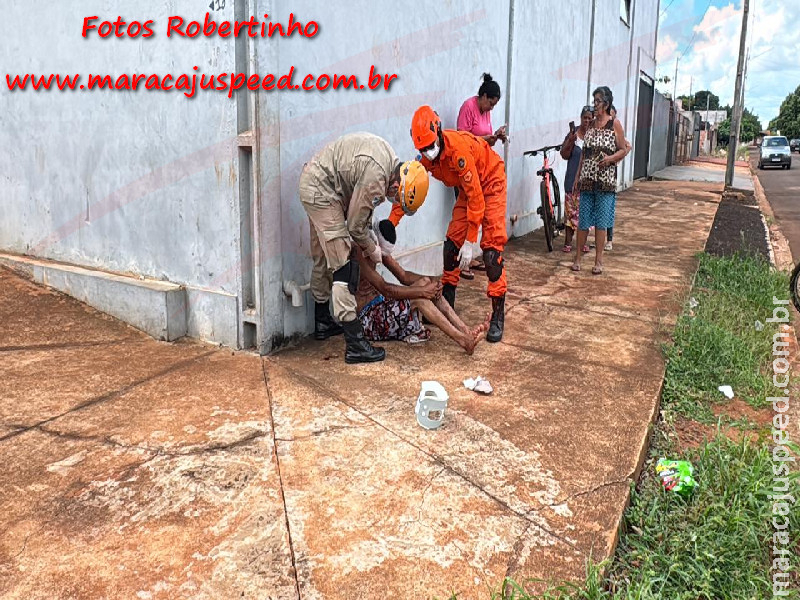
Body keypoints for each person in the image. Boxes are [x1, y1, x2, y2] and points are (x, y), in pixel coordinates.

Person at [299, 132, 429, 363]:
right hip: (323, 191)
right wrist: (372, 248)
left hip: (317, 183)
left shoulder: (389, 160)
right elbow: (355, 226)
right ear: (398, 184)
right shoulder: (378, 179)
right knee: (342, 264)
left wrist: (367, 234)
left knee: (322, 256)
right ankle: (355, 344)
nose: (393, 200)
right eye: (396, 197)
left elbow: (360, 212)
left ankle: (322, 321)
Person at [391, 105, 509, 343]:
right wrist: (391, 224)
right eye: (423, 148)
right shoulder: (424, 159)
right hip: (469, 191)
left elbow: (477, 197)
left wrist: (471, 240)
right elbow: (407, 190)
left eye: (430, 145)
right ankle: (448, 304)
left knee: (491, 253)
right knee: (451, 248)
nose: (428, 152)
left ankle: (498, 315)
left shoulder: (459, 152)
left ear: (439, 132)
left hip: (490, 182)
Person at [355, 220, 489, 354]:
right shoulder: (359, 250)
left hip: (380, 306)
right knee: (419, 298)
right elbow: (386, 289)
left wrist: (432, 282)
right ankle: (463, 340)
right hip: (368, 319)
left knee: (425, 282)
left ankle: (466, 331)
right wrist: (422, 291)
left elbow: (403, 276)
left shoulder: (378, 246)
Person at [571, 87, 628, 275]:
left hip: (605, 181)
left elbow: (623, 148)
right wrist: (577, 176)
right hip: (587, 179)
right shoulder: (590, 125)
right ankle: (578, 258)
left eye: (598, 101)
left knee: (602, 222)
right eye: (594, 101)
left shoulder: (614, 125)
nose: (595, 105)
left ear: (606, 104)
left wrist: (610, 159)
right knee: (583, 221)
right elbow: (584, 155)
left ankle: (598, 261)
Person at [456, 73, 508, 279]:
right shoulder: (468, 107)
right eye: (491, 104)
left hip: (482, 170)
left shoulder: (485, 112)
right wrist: (484, 139)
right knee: (466, 214)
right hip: (466, 169)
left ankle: (472, 254)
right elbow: (462, 139)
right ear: (483, 96)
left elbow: (482, 138)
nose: (491, 109)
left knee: (479, 213)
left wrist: (493, 137)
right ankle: (462, 259)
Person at [559, 106, 594, 254]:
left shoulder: (594, 135)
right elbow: (564, 154)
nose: (586, 120)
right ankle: (568, 243)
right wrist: (570, 142)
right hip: (572, 180)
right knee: (570, 213)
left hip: (587, 182)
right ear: (581, 118)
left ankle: (582, 243)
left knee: (585, 214)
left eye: (589, 118)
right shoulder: (573, 134)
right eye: (584, 117)